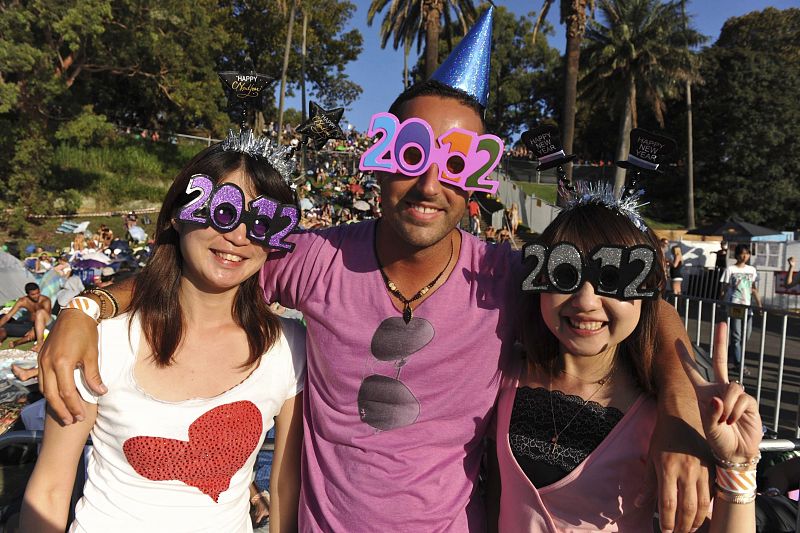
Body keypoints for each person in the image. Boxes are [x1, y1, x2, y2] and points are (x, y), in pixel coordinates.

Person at [37, 13, 712, 531]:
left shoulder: (504, 274)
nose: (429, 181)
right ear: (381, 160)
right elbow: (207, 256)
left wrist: (681, 421)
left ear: (478, 183)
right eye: (412, 153)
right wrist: (87, 308)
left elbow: (639, 302)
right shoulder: (318, 258)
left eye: (456, 163)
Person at [21, 141, 305, 532]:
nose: (238, 236)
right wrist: (80, 311)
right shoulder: (102, 340)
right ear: (177, 214)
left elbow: (285, 487)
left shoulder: (288, 348)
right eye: (222, 211)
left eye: (262, 221)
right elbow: (51, 487)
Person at [487, 201, 761, 532]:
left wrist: (738, 467)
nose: (586, 301)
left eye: (612, 277)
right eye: (564, 273)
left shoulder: (660, 418)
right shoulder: (503, 376)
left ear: (647, 291)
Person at [720, 244, 762, 374]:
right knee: (736, 335)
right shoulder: (730, 269)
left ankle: (729, 355)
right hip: (735, 305)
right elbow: (724, 287)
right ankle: (740, 364)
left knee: (746, 335)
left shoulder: (752, 270)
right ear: (737, 255)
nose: (745, 256)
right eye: (743, 253)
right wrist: (721, 302)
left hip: (747, 306)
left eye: (747, 254)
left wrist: (759, 304)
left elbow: (753, 288)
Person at [0, 282, 52, 349]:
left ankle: (17, 342)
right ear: (27, 294)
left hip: (44, 326)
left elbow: (46, 318)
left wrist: (34, 329)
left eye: (38, 293)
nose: (36, 296)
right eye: (33, 294)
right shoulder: (23, 301)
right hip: (29, 325)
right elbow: (8, 316)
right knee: (3, 317)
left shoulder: (45, 300)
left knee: (40, 313)